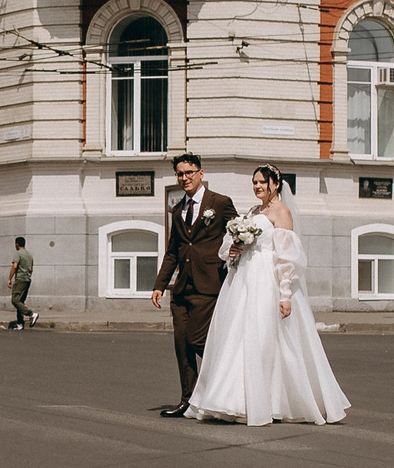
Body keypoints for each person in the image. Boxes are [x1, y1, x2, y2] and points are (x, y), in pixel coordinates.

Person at [184, 166, 349, 425]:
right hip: (243, 280)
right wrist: (234, 248)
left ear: (275, 183)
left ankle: (266, 403)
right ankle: (234, 401)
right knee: (238, 337)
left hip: (267, 282)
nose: (258, 186)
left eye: (262, 182)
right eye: (254, 182)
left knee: (264, 339)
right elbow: (228, 245)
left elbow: (287, 258)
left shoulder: (282, 212)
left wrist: (285, 295)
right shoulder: (253, 212)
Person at [150, 153, 233, 417]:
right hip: (182, 288)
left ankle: (225, 387)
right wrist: (160, 285)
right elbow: (173, 250)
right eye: (180, 174)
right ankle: (188, 399)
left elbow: (240, 233)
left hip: (209, 285)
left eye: (189, 172)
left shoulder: (219, 203)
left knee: (198, 339)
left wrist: (234, 254)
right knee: (181, 345)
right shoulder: (177, 210)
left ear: (201, 173)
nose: (184, 178)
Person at [6, 236, 37, 329]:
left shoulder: (18, 253)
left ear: (17, 244)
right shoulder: (29, 255)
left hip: (20, 279)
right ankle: (20, 323)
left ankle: (32, 314)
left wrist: (9, 278)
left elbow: (15, 266)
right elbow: (31, 268)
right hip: (27, 280)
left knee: (15, 300)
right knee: (20, 302)